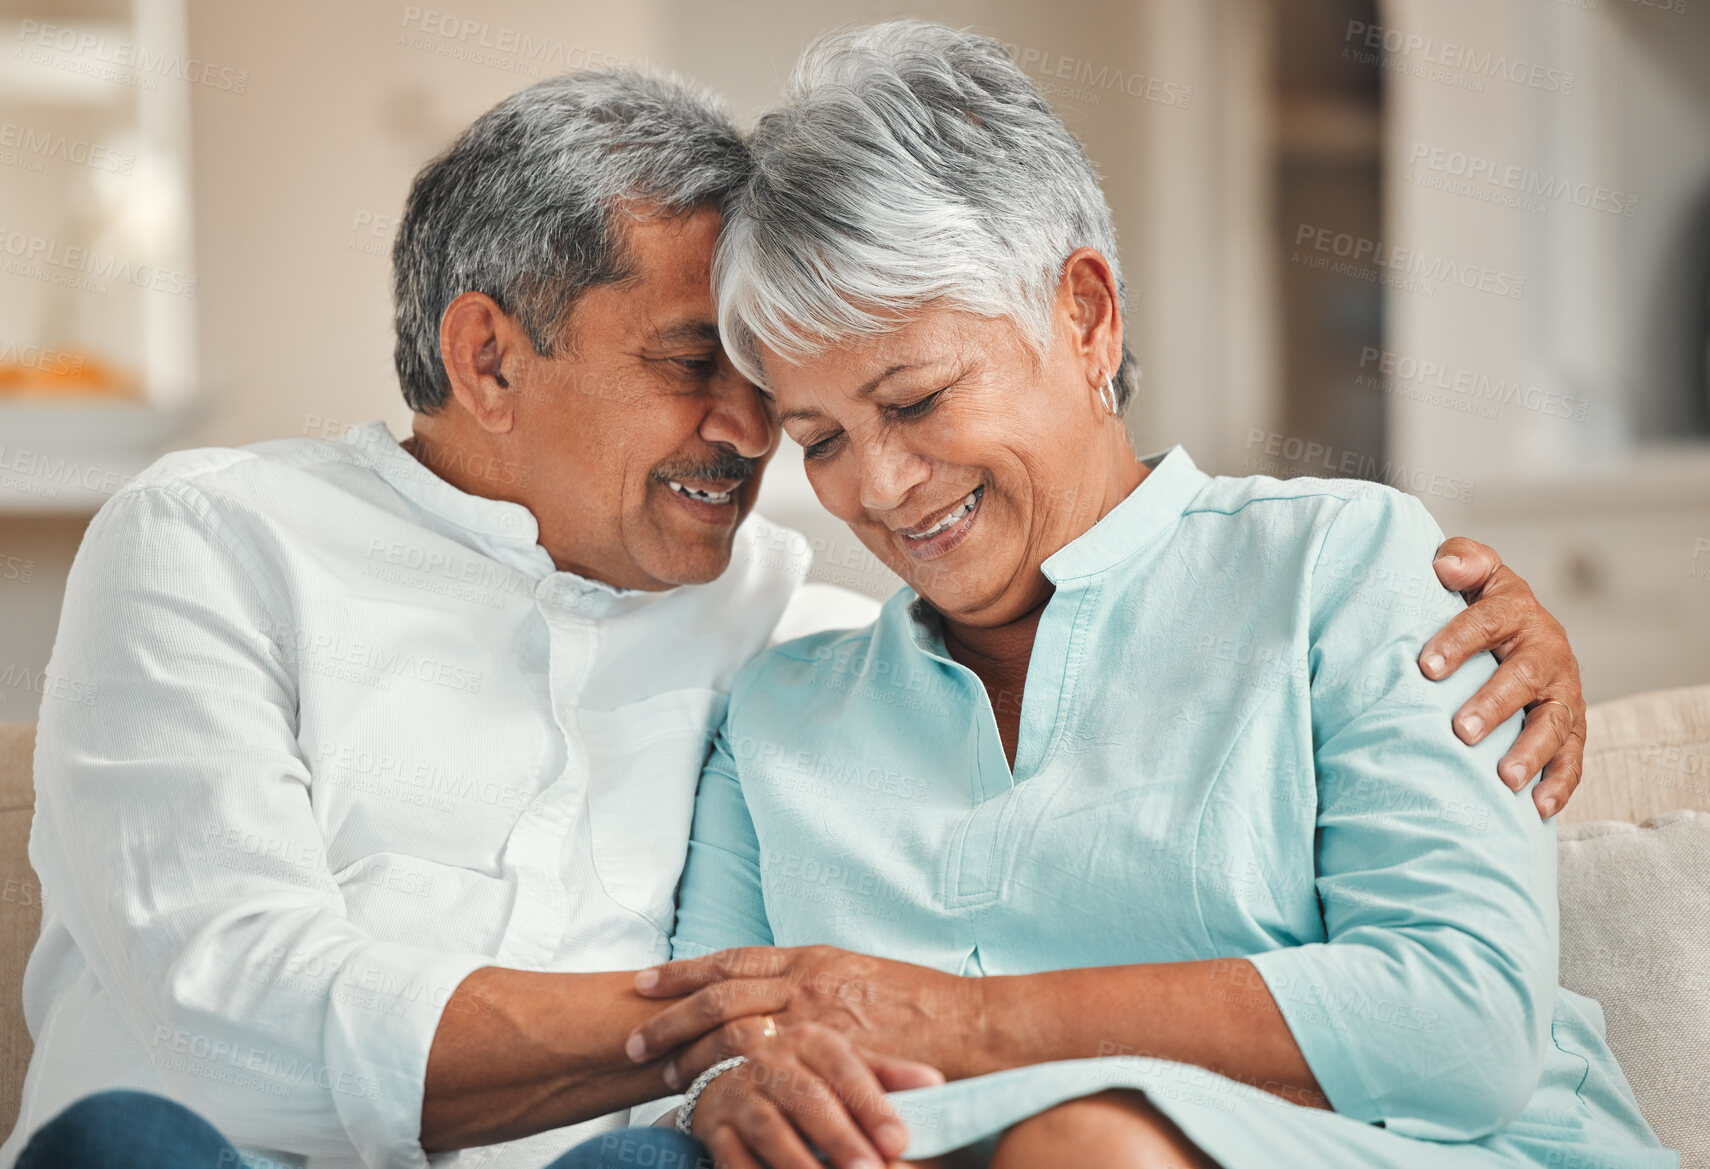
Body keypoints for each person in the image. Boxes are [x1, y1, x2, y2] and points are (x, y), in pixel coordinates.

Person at [3, 63, 1592, 1169]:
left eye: (810, 407)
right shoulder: (213, 542)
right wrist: (740, 1044)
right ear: (487, 358)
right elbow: (239, 1014)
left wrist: (1435, 608)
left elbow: (1448, 991)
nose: (791, 458)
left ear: (1085, 316)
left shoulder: (788, 625)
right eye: (719, 378)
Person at [612, 22, 1675, 1169]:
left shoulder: (1344, 567)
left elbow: (1463, 1019)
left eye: (916, 402)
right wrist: (731, 1091)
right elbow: (712, 1049)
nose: (876, 487)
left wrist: (964, 1024)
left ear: (1085, 316)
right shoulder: (777, 715)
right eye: (820, 439)